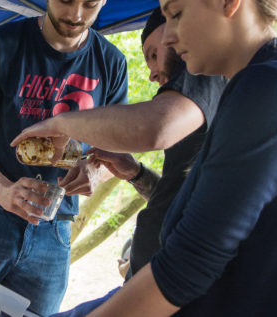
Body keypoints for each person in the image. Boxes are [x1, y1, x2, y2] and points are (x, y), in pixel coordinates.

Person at [42, 0, 277, 315]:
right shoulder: (257, 88)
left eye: (176, 14)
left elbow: (186, 266)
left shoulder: (275, 89)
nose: (170, 36)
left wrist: (62, 124)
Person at [0, 0, 128, 315]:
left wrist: (95, 172)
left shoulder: (112, 63)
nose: (76, 15)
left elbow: (115, 154)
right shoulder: (1, 44)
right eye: (66, 0)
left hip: (56, 223)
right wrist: (1, 190)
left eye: (90, 4)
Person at [85, 8, 226, 280]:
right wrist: (136, 173)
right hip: (153, 271)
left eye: (153, 54)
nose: (151, 73)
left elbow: (153, 128)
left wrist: (57, 123)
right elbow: (180, 196)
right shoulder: (197, 112)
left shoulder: (200, 72)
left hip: (170, 278)